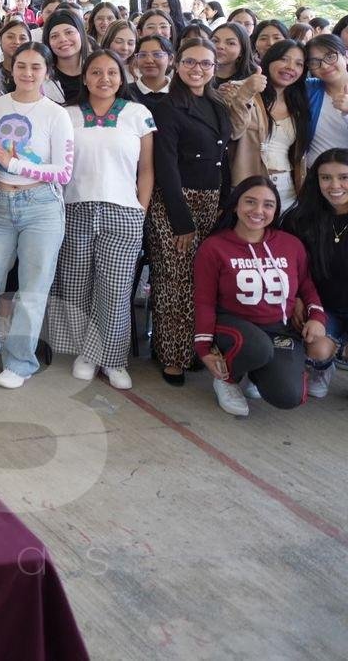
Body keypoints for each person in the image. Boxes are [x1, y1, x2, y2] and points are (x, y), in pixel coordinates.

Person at [0, 42, 75, 389]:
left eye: (36, 67)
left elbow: (63, 172)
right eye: (21, 66)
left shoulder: (57, 114)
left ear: (47, 71)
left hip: (41, 207)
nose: (27, 73)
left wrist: (14, 164)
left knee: (32, 289)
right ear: (10, 69)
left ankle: (20, 362)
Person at [47, 50, 155, 390]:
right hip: (75, 209)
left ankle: (113, 359)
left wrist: (140, 210)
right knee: (76, 286)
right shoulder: (67, 115)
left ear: (122, 78)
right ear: (85, 77)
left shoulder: (138, 114)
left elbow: (147, 169)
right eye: (95, 72)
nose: (104, 79)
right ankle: (86, 353)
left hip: (123, 212)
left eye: (111, 72)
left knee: (115, 290)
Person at [140, 36, 238, 385]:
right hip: (174, 203)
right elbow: (165, 166)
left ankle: (193, 349)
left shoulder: (217, 104)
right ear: (177, 64)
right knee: (173, 281)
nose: (198, 69)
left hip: (210, 201)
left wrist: (225, 201)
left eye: (206, 63)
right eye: (190, 62)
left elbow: (223, 157)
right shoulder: (167, 107)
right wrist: (181, 221)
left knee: (200, 281)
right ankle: (172, 356)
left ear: (214, 68)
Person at [195, 177, 333, 415]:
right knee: (258, 347)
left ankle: (256, 371)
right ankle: (227, 380)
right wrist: (204, 349)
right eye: (250, 202)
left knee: (290, 396)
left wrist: (316, 317)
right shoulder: (214, 247)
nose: (258, 210)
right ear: (236, 205)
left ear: (275, 210)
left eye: (268, 205)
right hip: (233, 325)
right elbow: (204, 302)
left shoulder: (290, 244)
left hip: (279, 328)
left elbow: (306, 285)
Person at [285, 150, 348, 397]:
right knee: (317, 348)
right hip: (322, 307)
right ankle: (323, 367)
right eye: (326, 178)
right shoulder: (300, 220)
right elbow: (286, 267)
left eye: (344, 177)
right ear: (316, 180)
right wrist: (297, 299)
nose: (335, 186)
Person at [226, 40, 309, 213]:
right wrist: (246, 93)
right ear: (270, 59)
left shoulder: (298, 103)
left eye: (299, 64)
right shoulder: (238, 89)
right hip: (248, 185)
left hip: (287, 190)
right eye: (284, 59)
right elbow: (232, 132)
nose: (290, 67)